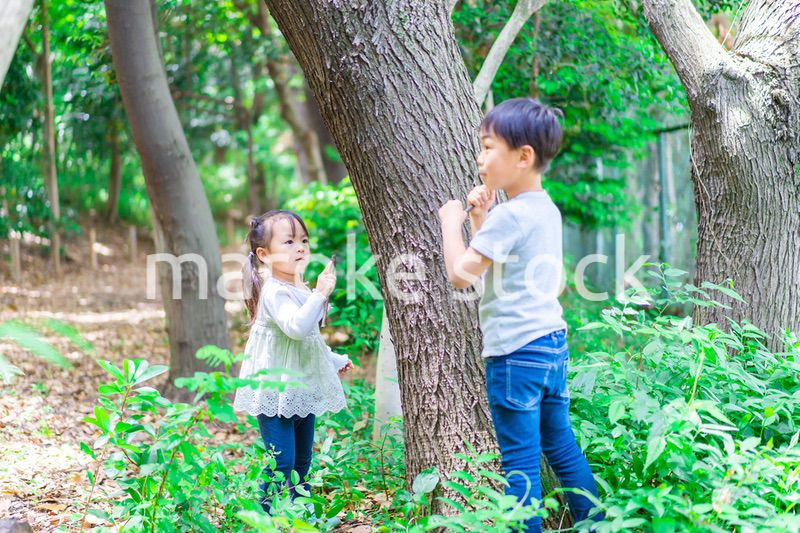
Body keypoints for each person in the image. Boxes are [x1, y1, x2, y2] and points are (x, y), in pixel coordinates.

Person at [437, 98, 602, 532]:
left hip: (514, 355)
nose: (480, 157)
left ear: (523, 156)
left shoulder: (509, 217)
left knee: (520, 464)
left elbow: (461, 275)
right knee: (561, 447)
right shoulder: (544, 209)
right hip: (551, 347)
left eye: (488, 147)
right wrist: (481, 218)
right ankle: (597, 524)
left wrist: (451, 223)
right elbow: (502, 264)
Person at [233, 209, 354, 512]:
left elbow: (309, 340)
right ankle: (263, 516)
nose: (300, 247)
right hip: (274, 391)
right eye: (288, 242)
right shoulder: (274, 292)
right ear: (264, 254)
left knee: (302, 460)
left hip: (300, 389)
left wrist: (334, 360)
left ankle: (302, 513)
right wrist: (320, 294)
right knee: (282, 461)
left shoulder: (301, 289)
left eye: (304, 240)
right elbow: (296, 328)